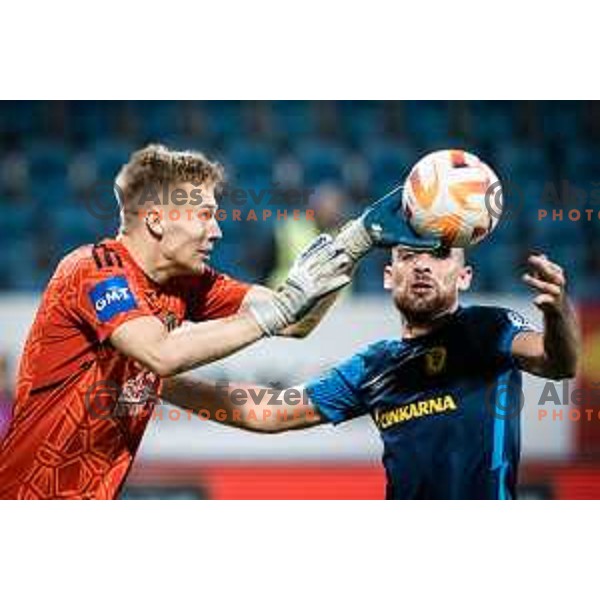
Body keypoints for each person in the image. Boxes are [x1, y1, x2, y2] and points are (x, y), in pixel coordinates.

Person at [0, 144, 435, 499]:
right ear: (156, 220)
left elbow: (294, 322)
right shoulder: (92, 268)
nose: (217, 231)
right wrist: (279, 310)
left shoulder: (188, 283)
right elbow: (162, 353)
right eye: (204, 215)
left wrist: (352, 246)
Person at [170, 246, 580, 499]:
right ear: (388, 277)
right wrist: (161, 379)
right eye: (407, 256)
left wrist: (559, 312)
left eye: (439, 256)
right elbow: (268, 410)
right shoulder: (373, 365)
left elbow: (558, 364)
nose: (422, 267)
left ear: (465, 276)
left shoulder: (491, 328)